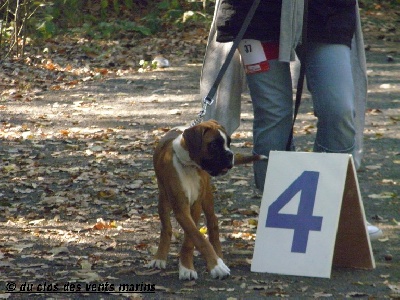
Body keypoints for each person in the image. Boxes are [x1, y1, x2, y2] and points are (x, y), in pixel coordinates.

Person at [200, 0, 383, 240]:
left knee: (338, 109)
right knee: (273, 114)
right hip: (257, 14)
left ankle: (333, 208)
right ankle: (280, 216)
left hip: (325, 13)